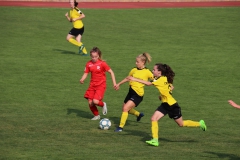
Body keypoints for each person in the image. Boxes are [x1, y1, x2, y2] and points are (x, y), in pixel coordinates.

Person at [127, 63, 207, 147]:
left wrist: (133, 78)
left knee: (181, 124)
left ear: (159, 72)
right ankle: (155, 140)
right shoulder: (162, 78)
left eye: (154, 70)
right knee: (153, 119)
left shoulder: (160, 80)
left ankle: (200, 124)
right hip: (165, 104)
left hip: (172, 105)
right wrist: (162, 96)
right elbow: (170, 88)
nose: (152, 71)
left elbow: (148, 84)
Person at [114, 53, 153, 132]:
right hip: (130, 92)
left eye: (137, 62)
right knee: (125, 109)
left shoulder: (147, 72)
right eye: (136, 61)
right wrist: (119, 84)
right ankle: (138, 114)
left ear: (143, 62)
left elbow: (154, 81)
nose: (136, 63)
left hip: (138, 95)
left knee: (125, 108)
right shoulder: (134, 70)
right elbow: (128, 78)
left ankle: (120, 127)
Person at [79, 47, 117, 120]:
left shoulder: (102, 64)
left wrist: (114, 83)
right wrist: (82, 79)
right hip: (92, 86)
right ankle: (97, 115)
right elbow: (86, 73)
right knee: (90, 103)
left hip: (101, 85)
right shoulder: (88, 64)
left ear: (98, 56)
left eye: (95, 57)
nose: (94, 58)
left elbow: (111, 72)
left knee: (95, 101)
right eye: (92, 57)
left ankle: (103, 104)